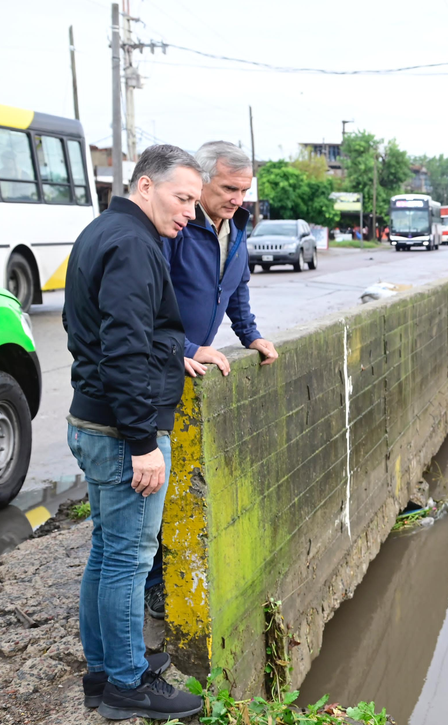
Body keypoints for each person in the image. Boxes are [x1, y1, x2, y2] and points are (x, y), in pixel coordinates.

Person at [63, 144, 204, 721]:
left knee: (107, 551)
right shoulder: (132, 245)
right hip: (123, 430)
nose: (190, 213)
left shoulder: (104, 232)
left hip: (94, 418)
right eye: (182, 198)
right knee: (127, 557)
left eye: (195, 201)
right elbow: (124, 350)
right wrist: (144, 442)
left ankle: (104, 672)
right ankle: (126, 685)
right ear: (146, 186)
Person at [141, 141, 278, 620]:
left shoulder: (236, 227)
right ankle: (154, 586)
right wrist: (181, 348)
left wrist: (252, 335)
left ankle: (160, 575)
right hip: (160, 364)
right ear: (202, 182)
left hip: (191, 367)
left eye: (244, 190)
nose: (237, 198)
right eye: (228, 188)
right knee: (153, 480)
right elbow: (149, 294)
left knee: (175, 477)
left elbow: (236, 287)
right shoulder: (175, 225)